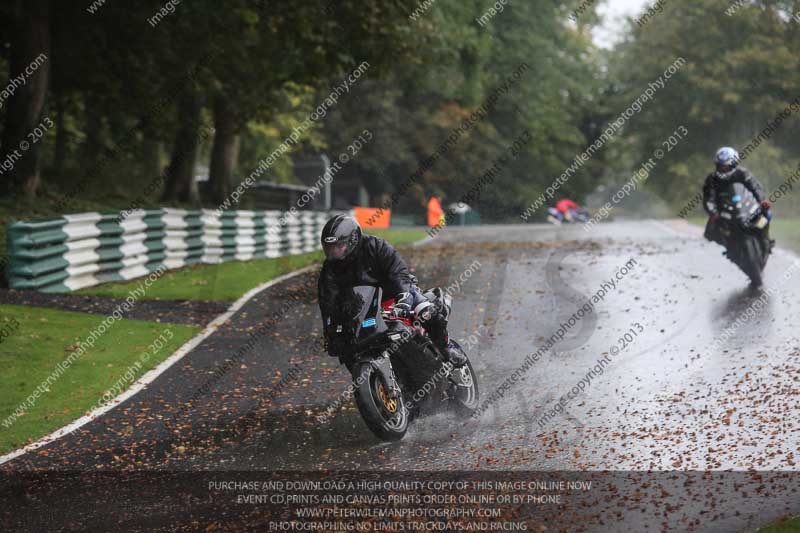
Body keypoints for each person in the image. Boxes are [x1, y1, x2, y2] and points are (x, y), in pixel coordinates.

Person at [317, 214, 466, 369]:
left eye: (338, 247)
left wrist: (404, 298)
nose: (333, 252)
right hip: (365, 308)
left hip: (396, 294)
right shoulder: (329, 270)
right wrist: (330, 331)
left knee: (426, 311)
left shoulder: (376, 246)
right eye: (330, 248)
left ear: (352, 241)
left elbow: (399, 273)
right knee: (346, 348)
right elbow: (328, 302)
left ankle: (446, 348)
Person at [702, 147, 773, 251]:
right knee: (709, 232)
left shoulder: (743, 174)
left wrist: (762, 200)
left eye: (726, 167)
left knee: (766, 214)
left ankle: (765, 239)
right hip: (723, 211)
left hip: (745, 206)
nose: (722, 169)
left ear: (734, 164)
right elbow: (708, 199)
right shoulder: (711, 179)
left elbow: (755, 187)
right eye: (720, 166)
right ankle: (728, 246)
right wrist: (713, 212)